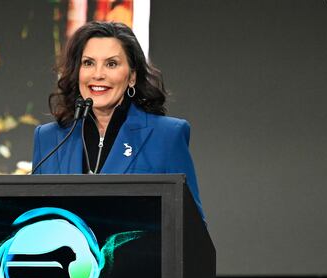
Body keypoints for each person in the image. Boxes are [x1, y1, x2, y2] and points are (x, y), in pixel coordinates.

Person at [32, 21, 205, 220]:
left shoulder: (166, 136)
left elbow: (192, 227)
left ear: (131, 76)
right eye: (88, 63)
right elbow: (35, 220)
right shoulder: (48, 138)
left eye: (111, 64)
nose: (98, 74)